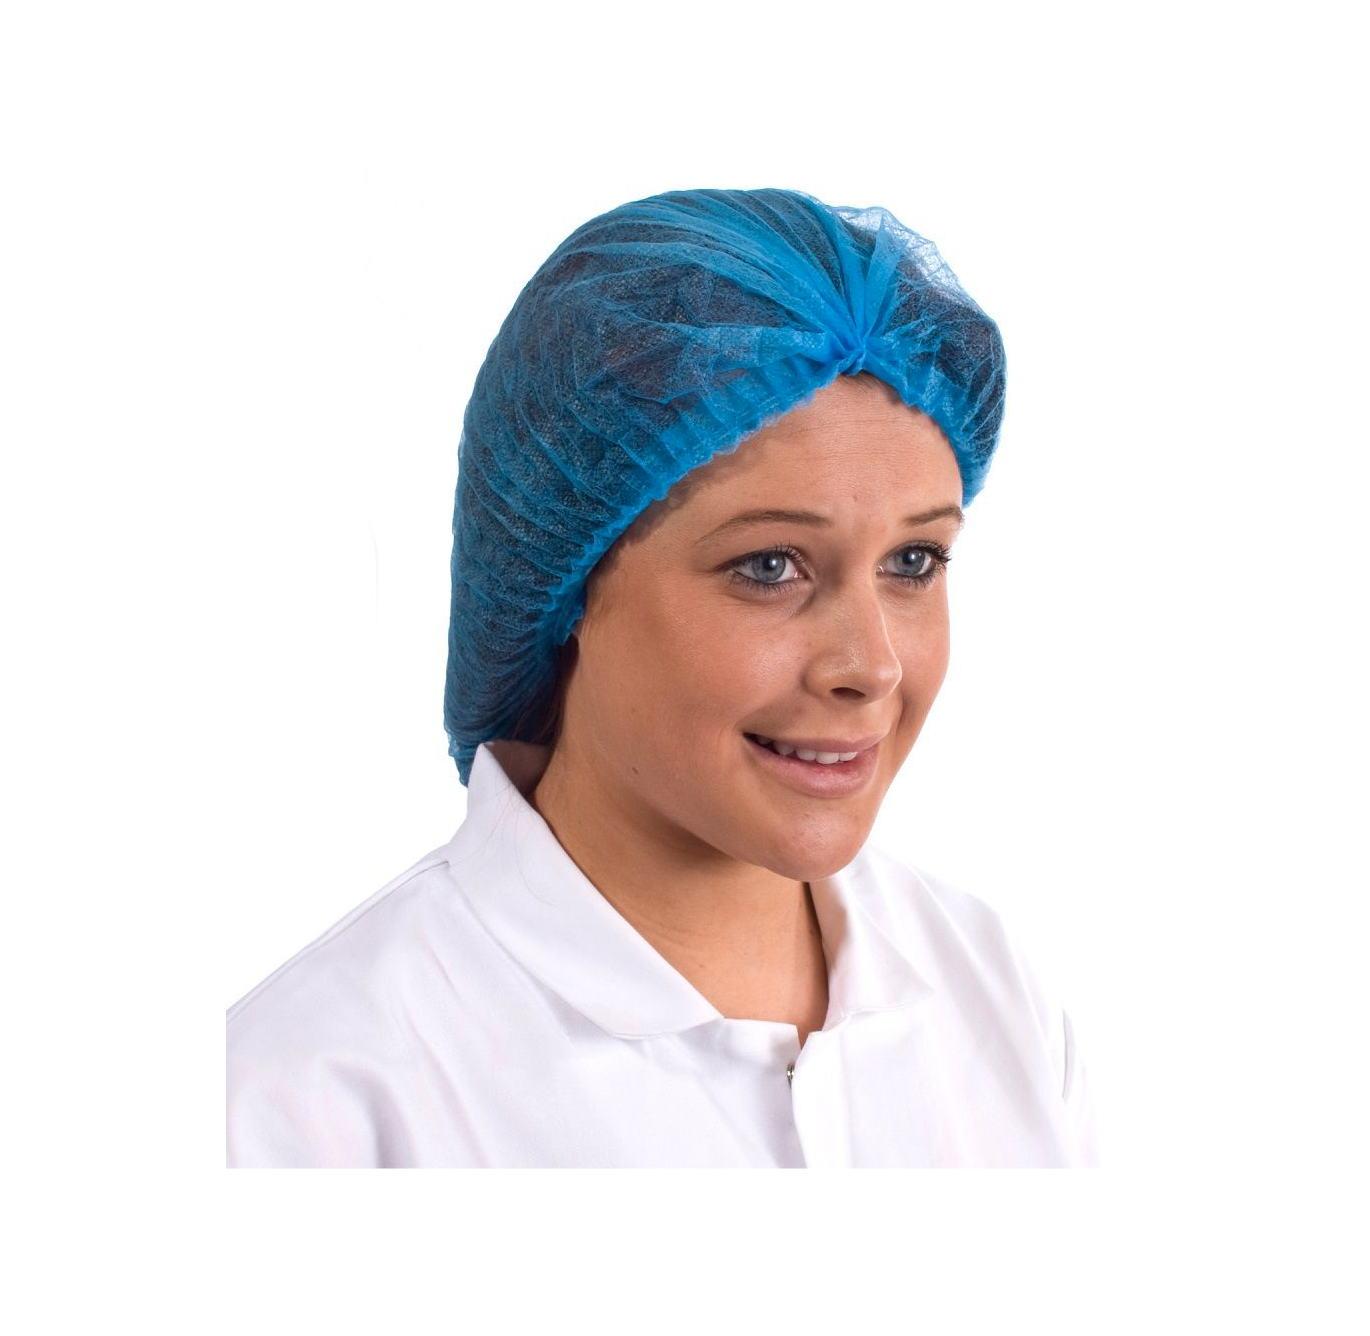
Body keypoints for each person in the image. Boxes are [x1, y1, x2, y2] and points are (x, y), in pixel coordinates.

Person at [226, 187, 1101, 1167]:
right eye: (769, 565)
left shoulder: (994, 999)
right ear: (558, 582)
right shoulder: (306, 1109)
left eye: (913, 561)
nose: (871, 665)